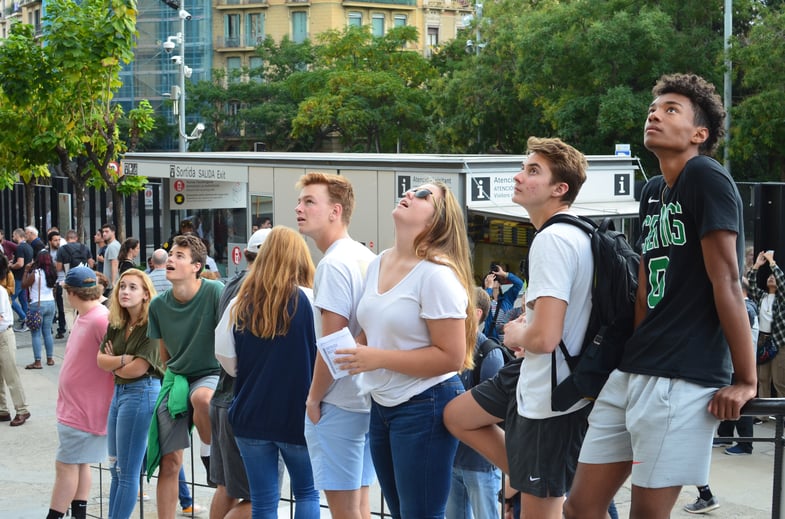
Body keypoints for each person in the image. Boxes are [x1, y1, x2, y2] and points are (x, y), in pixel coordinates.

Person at [563, 73, 756, 519]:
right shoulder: (652, 191)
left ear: (698, 134)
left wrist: (746, 380)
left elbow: (727, 279)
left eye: (671, 110)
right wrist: (631, 346)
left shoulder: (706, 175)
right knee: (579, 508)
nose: (655, 114)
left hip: (682, 374)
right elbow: (647, 285)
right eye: (654, 108)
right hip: (635, 367)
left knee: (647, 514)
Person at [445, 137, 593, 519]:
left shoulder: (552, 240)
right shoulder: (578, 234)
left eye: (532, 171)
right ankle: (533, 474)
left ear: (559, 189)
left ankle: (540, 477)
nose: (518, 176)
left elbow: (545, 338)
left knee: (539, 511)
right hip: (541, 380)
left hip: (549, 393)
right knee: (457, 415)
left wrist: (515, 333)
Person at [336, 181, 475, 518]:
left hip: (425, 404)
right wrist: (357, 348)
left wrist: (375, 357)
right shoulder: (379, 262)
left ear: (438, 220)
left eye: (425, 195)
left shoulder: (437, 275)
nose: (411, 193)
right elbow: (376, 328)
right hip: (382, 405)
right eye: (413, 189)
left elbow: (451, 357)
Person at [215, 226, 320, 519]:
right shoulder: (312, 301)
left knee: (262, 501)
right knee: (307, 493)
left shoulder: (240, 302)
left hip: (251, 414)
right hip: (298, 416)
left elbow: (226, 360)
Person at [296, 172, 377, 519]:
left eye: (309, 201)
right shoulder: (364, 257)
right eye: (300, 201)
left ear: (335, 211)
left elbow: (333, 345)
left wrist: (314, 398)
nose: (298, 208)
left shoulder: (333, 264)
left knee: (344, 512)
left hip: (339, 401)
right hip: (366, 398)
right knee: (359, 507)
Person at [145, 234, 223, 519]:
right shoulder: (158, 306)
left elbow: (230, 338)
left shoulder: (215, 291)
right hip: (177, 378)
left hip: (212, 372)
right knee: (170, 461)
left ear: (196, 266)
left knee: (203, 398)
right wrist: (176, 378)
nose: (171, 259)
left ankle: (209, 455)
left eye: (180, 256)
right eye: (171, 254)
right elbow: (165, 357)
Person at [209, 228, 271, 519]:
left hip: (223, 398)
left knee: (227, 488)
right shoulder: (258, 287)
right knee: (261, 497)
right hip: (242, 400)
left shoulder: (231, 282)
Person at [46, 266, 113, 519]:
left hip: (83, 409)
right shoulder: (88, 315)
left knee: (65, 466)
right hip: (79, 407)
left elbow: (113, 361)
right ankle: (79, 515)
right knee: (80, 463)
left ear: (71, 293)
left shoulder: (99, 318)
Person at [96, 269, 163, 519]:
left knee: (127, 473)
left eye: (133, 287)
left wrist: (115, 361)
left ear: (146, 294)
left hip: (142, 394)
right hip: (120, 393)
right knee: (115, 469)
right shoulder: (118, 322)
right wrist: (123, 359)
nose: (125, 291)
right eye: (122, 286)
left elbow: (139, 368)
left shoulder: (151, 324)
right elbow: (100, 360)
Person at [446, 287, 505, 519]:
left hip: (481, 463)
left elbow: (495, 413)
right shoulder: (450, 349)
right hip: (453, 458)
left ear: (477, 314)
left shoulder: (489, 354)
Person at [747, 250, 784, 400]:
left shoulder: (782, 299)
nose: (771, 278)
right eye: (769, 276)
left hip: (779, 343)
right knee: (762, 379)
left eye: (773, 277)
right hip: (763, 341)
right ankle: (763, 415)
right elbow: (750, 284)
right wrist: (756, 265)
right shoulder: (762, 296)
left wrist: (772, 262)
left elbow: (782, 281)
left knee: (780, 381)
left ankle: (782, 413)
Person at [0, 280, 30, 426]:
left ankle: (22, 410)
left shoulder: (0, 291)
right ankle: (2, 410)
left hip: (4, 336)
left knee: (11, 375)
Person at [22, 250, 58, 369]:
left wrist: (26, 270)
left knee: (36, 334)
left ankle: (37, 361)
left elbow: (24, 285)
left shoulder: (35, 273)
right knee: (47, 332)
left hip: (37, 304)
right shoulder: (52, 272)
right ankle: (50, 358)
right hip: (51, 303)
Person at [483, 264, 523, 342]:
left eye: (494, 278)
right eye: (488, 280)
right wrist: (489, 288)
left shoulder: (507, 298)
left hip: (507, 342)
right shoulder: (485, 299)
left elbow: (519, 284)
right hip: (491, 342)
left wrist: (504, 274)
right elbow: (485, 302)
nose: (492, 281)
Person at [10, 228, 33, 331]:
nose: (12, 237)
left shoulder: (20, 248)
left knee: (9, 299)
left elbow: (20, 263)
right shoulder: (29, 247)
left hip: (18, 277)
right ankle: (26, 321)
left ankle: (25, 319)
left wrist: (11, 266)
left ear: (17, 235)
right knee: (23, 299)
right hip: (25, 276)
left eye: (13, 235)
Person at [46, 231, 67, 339]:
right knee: (50, 308)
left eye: (59, 240)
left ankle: (61, 329)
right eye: (55, 240)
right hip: (50, 283)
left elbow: (64, 266)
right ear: (50, 241)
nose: (58, 242)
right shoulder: (47, 252)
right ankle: (48, 328)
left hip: (61, 281)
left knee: (61, 307)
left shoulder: (63, 251)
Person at [101, 223, 121, 293]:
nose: (104, 234)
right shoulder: (113, 245)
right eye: (103, 232)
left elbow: (114, 264)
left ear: (113, 232)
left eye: (107, 231)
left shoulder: (112, 246)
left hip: (111, 286)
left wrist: (113, 282)